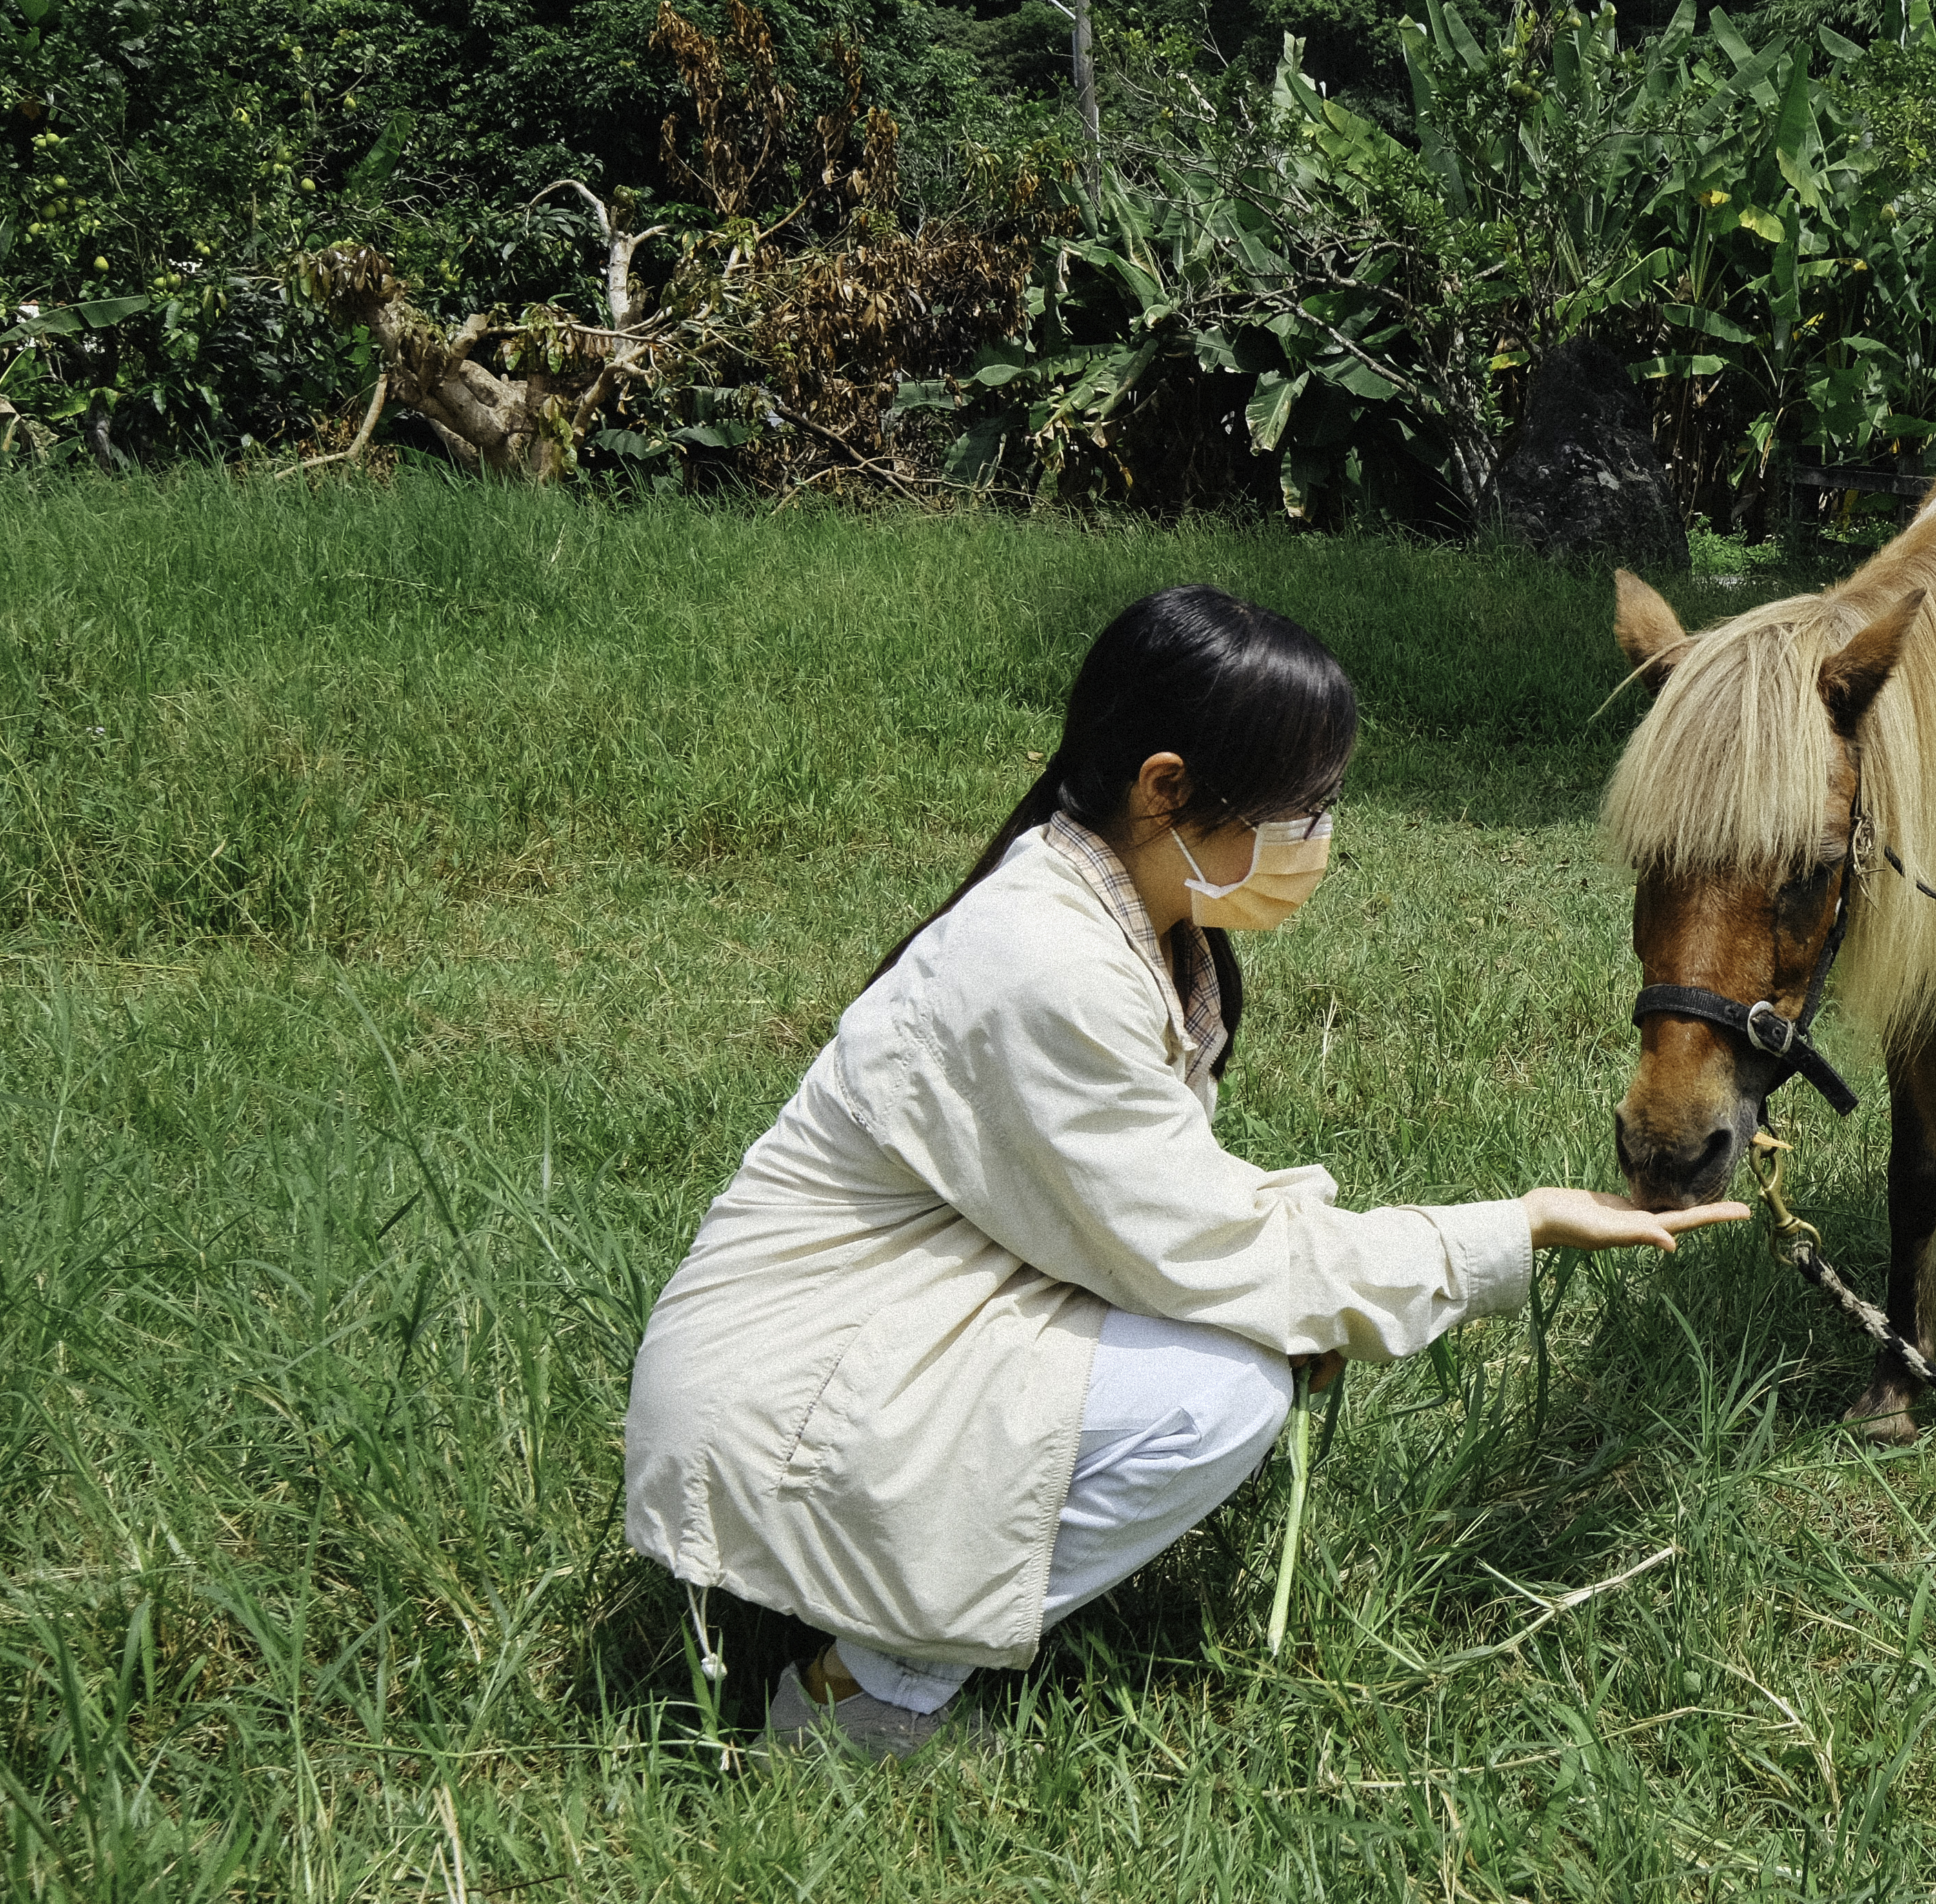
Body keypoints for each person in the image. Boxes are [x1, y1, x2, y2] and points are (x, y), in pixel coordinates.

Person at [623, 584, 1744, 1756]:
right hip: (786, 1407)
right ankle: (862, 1694)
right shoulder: (1041, 963)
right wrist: (1512, 1228)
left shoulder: (1130, 924)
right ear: (1166, 789)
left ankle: (892, 1603)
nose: (1318, 843)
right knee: (1220, 1396)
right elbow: (1214, 1247)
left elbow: (1163, 1211)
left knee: (1252, 1330)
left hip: (879, 1330)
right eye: (1303, 808)